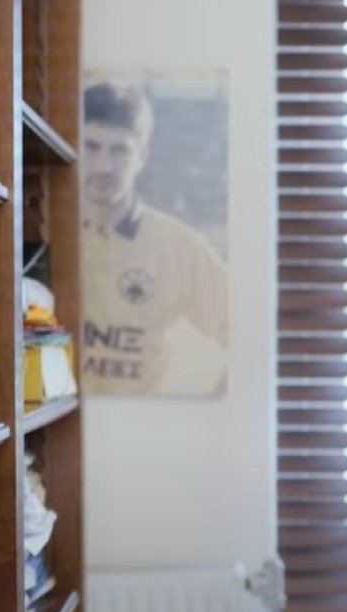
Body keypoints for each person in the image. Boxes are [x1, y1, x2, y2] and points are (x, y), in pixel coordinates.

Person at [80, 81, 228, 395]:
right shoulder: (50, 233)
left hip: (139, 414)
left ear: (142, 157)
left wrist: (208, 409)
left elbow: (246, 335)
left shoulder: (179, 246)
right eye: (91, 147)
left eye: (119, 151)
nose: (103, 166)